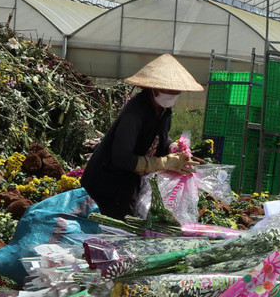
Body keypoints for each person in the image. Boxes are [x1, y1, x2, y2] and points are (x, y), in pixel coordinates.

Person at [82, 54, 203, 220]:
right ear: (154, 88)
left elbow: (159, 137)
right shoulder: (134, 114)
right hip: (107, 185)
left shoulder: (164, 111)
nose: (173, 94)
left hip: (128, 183)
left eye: (177, 91)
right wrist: (163, 163)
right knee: (113, 229)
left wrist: (172, 147)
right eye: (169, 90)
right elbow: (122, 159)